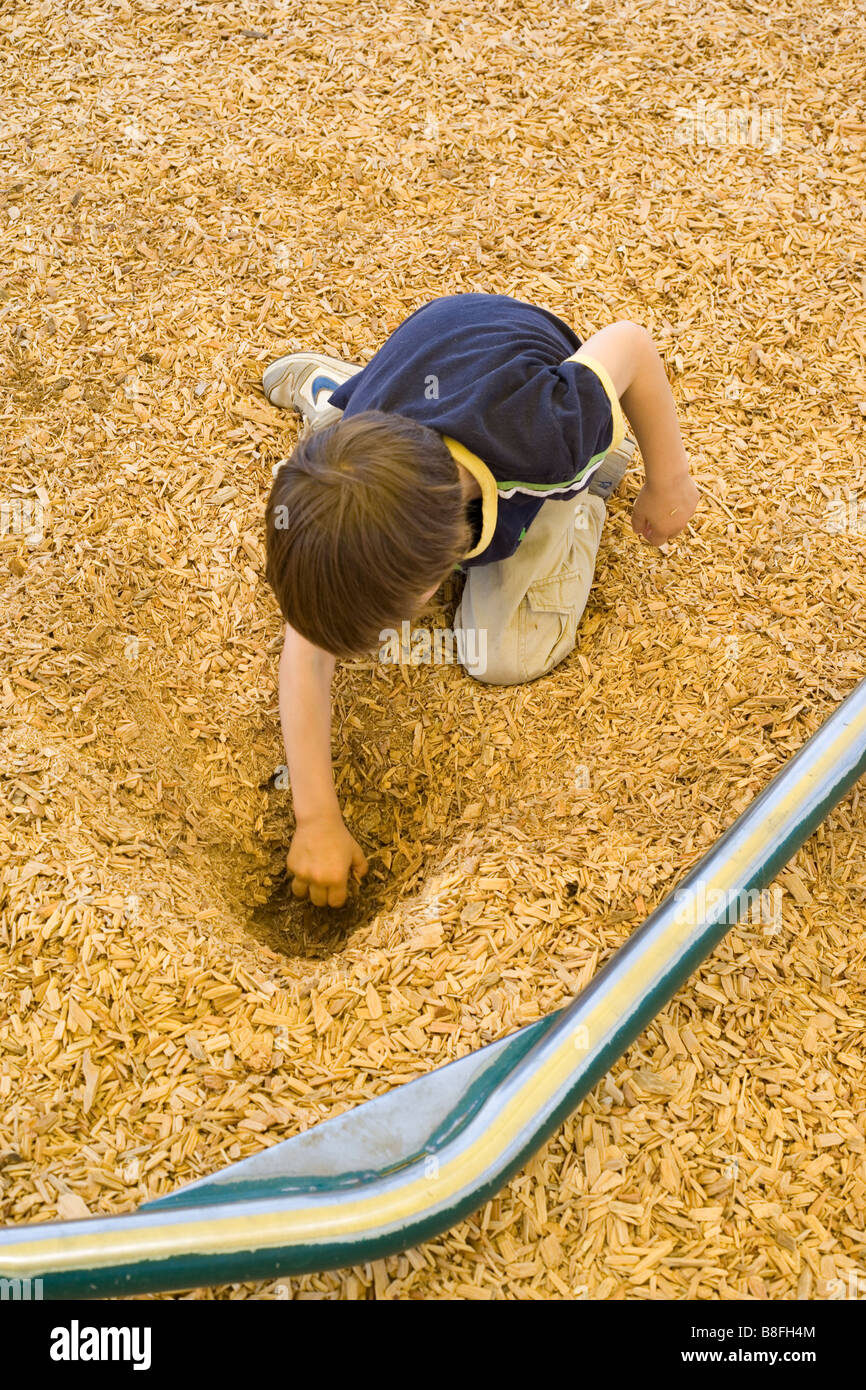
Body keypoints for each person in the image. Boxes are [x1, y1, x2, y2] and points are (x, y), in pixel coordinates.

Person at [263, 293, 698, 907]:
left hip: (528, 415)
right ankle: (336, 392)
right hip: (397, 395)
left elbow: (629, 342)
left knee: (503, 654)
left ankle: (592, 492)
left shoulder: (548, 434)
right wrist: (316, 819)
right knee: (335, 507)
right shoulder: (365, 452)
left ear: (439, 573)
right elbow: (305, 648)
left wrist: (668, 478)